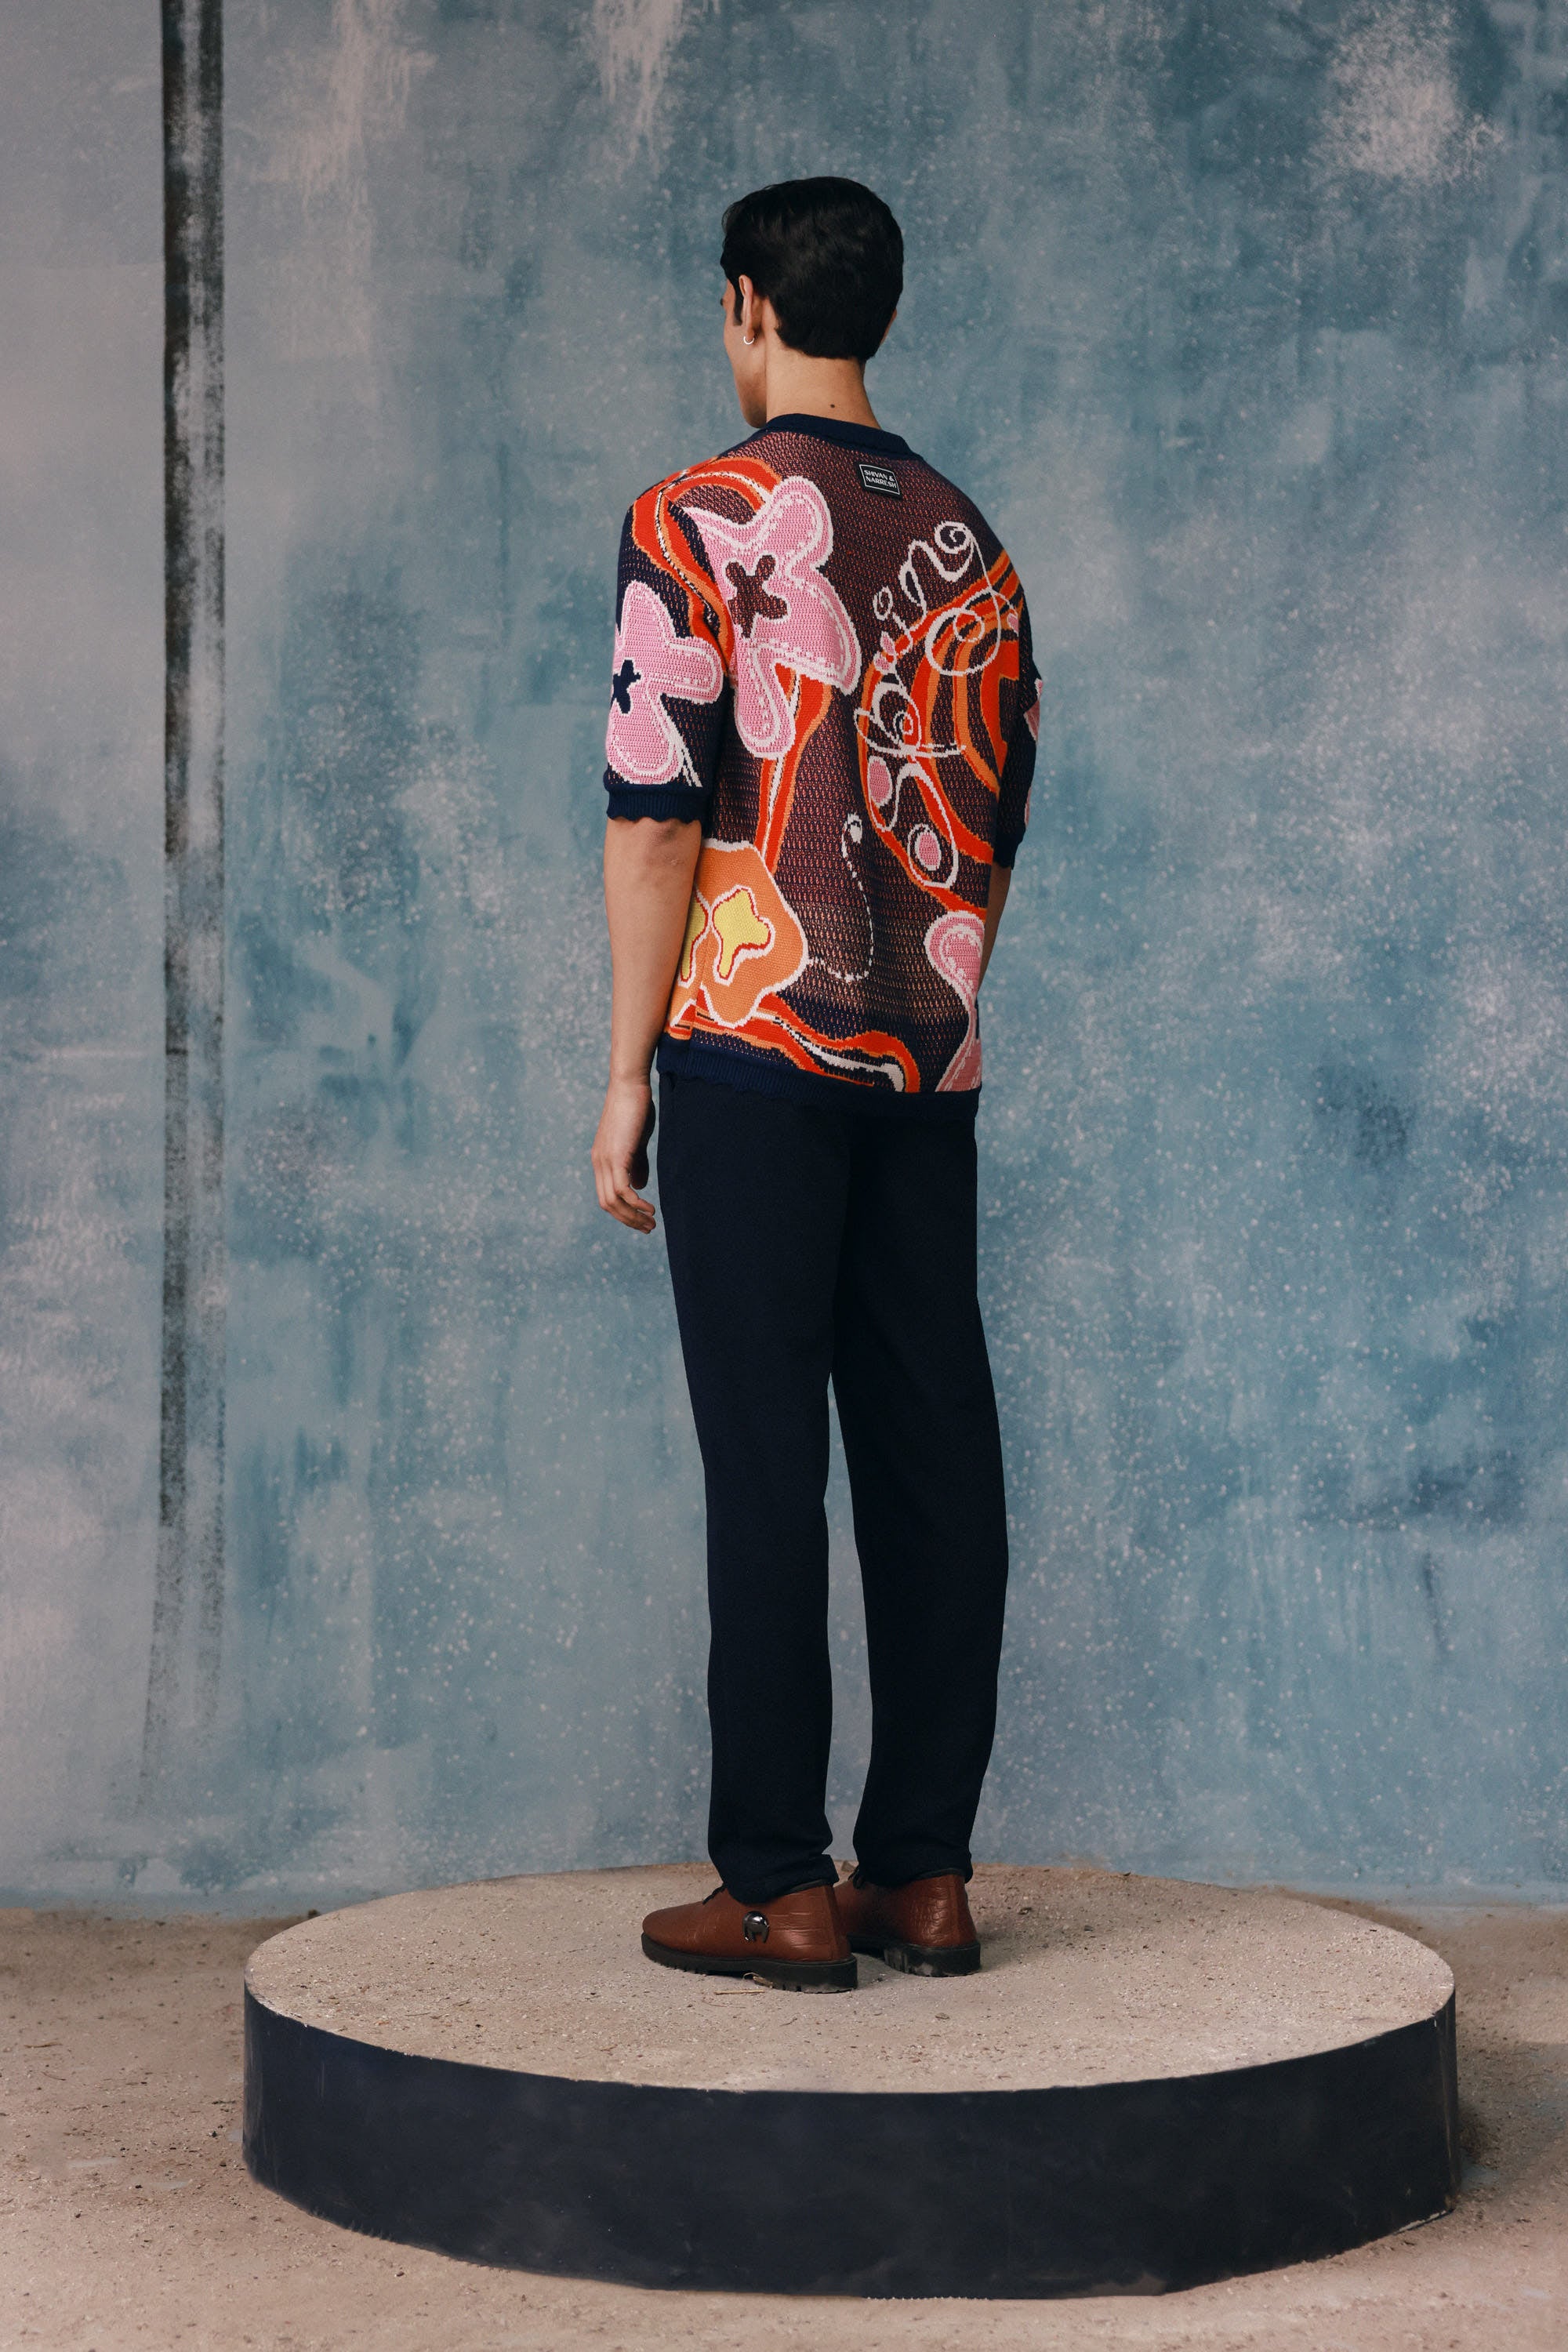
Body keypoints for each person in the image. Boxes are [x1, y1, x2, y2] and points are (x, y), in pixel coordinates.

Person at [590, 176, 1040, 1993]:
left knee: (766, 1464)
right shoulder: (971, 541)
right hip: (925, 1059)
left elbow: (654, 818)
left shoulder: (695, 516)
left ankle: (777, 1885)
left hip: (752, 1052)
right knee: (934, 1453)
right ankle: (921, 1874)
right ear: (883, 311)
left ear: (745, 305)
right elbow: (991, 812)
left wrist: (626, 1072)